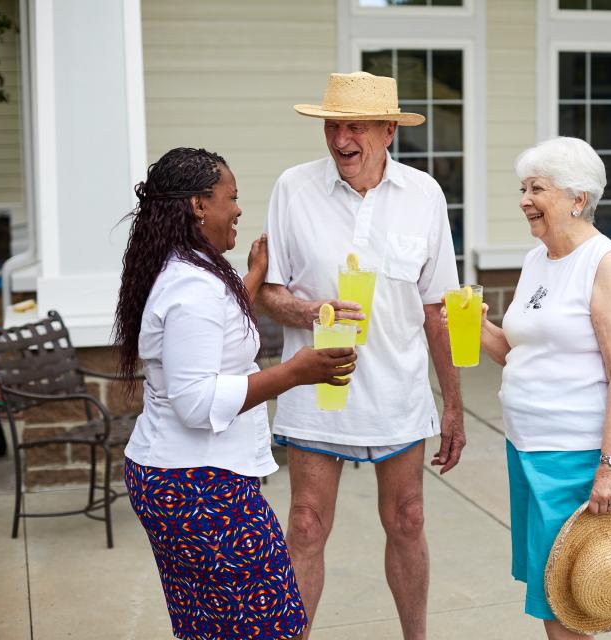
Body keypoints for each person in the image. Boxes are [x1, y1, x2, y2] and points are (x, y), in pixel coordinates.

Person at [114, 147, 358, 640]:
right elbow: (198, 402)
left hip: (178, 477)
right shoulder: (192, 288)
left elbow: (211, 336)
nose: (240, 210)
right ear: (200, 205)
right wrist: (294, 372)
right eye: (233, 197)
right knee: (275, 625)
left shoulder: (190, 271)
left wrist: (250, 276)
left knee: (210, 628)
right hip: (196, 488)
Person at [257, 72, 465, 639]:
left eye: (355, 126)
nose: (341, 138)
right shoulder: (293, 188)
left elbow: (436, 308)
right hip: (318, 394)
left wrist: (453, 405)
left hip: (398, 393)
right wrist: (311, 313)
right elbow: (269, 292)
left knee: (408, 519)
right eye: (332, 125)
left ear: (387, 132)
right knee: (304, 526)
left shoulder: (424, 195)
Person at [474, 137, 611, 639]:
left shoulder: (606, 265)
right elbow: (521, 352)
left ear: (577, 197)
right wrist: (479, 328)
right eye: (523, 188)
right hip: (525, 446)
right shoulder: (537, 260)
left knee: (566, 598)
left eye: (537, 188)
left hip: (569, 455)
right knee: (549, 589)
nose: (524, 198)